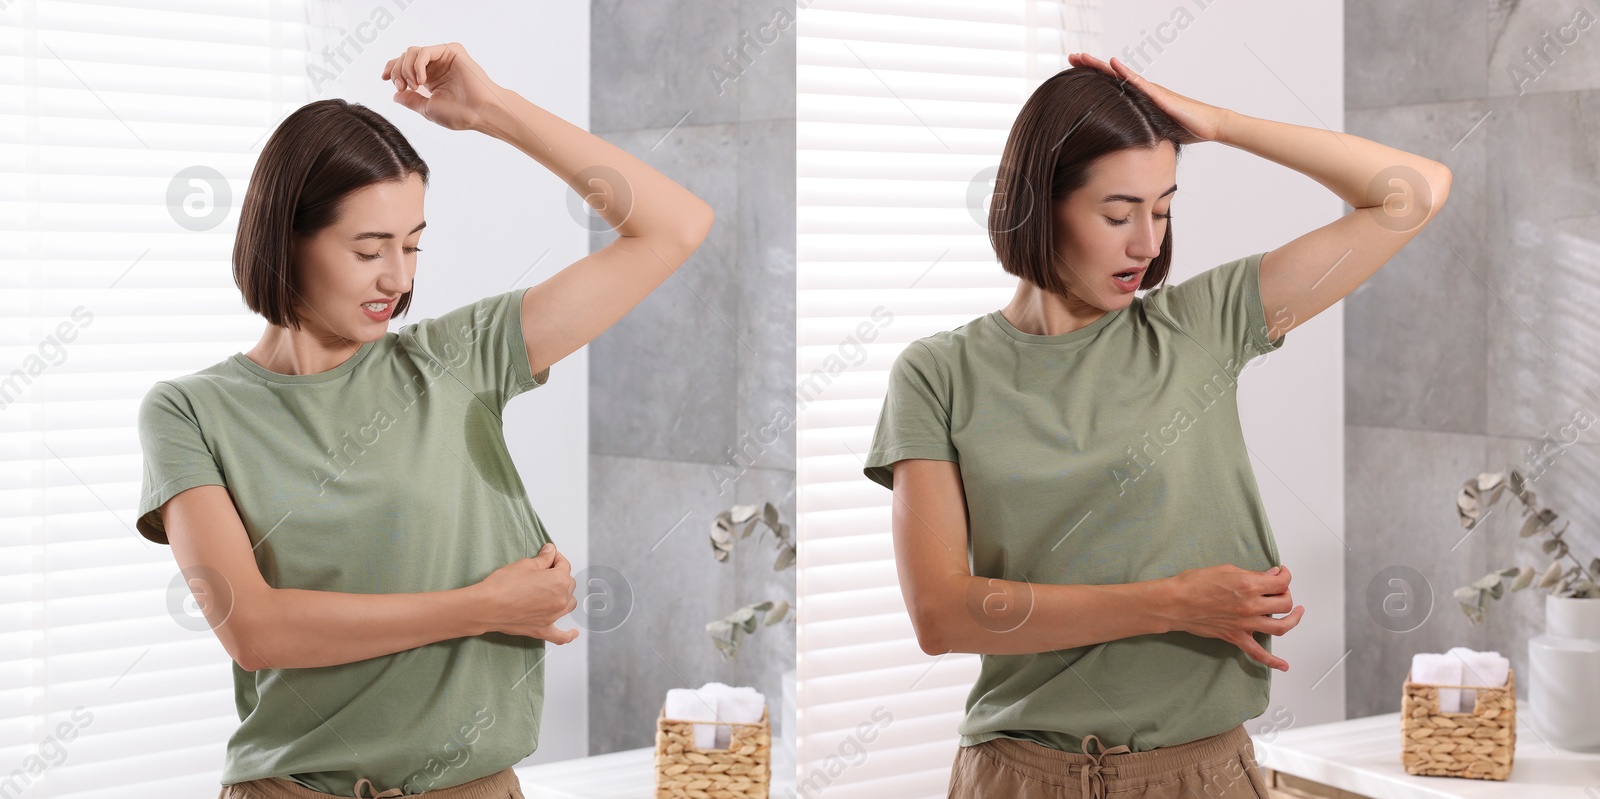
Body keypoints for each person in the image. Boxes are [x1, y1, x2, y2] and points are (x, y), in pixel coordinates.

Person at [862, 53, 1451, 799]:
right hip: (1016, 776)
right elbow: (941, 614)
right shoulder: (937, 374)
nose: (1146, 244)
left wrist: (1219, 123)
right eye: (1118, 214)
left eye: (1163, 208)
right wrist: (1172, 602)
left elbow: (1414, 194)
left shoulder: (1201, 326)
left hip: (1197, 776)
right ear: (1041, 205)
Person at [135, 43, 714, 798]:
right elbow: (257, 630)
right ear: (287, 239)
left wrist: (493, 109)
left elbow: (675, 226)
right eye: (369, 248)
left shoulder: (457, 359)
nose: (400, 279)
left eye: (412, 245)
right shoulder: (190, 412)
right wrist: (485, 606)